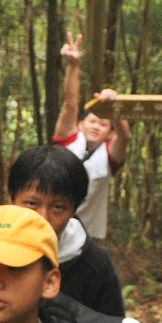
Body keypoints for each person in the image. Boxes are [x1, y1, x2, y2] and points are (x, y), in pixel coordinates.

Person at [7, 145, 124, 318]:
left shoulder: (95, 266)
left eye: (58, 207)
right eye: (32, 204)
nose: (43, 218)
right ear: (11, 199)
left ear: (74, 209)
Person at [51, 33, 130, 240]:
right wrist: (73, 65)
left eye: (103, 124)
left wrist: (115, 106)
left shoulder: (109, 156)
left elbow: (125, 136)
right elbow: (70, 104)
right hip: (52, 228)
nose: (96, 126)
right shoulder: (69, 140)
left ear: (110, 133)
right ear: (81, 124)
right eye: (92, 121)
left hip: (87, 235)